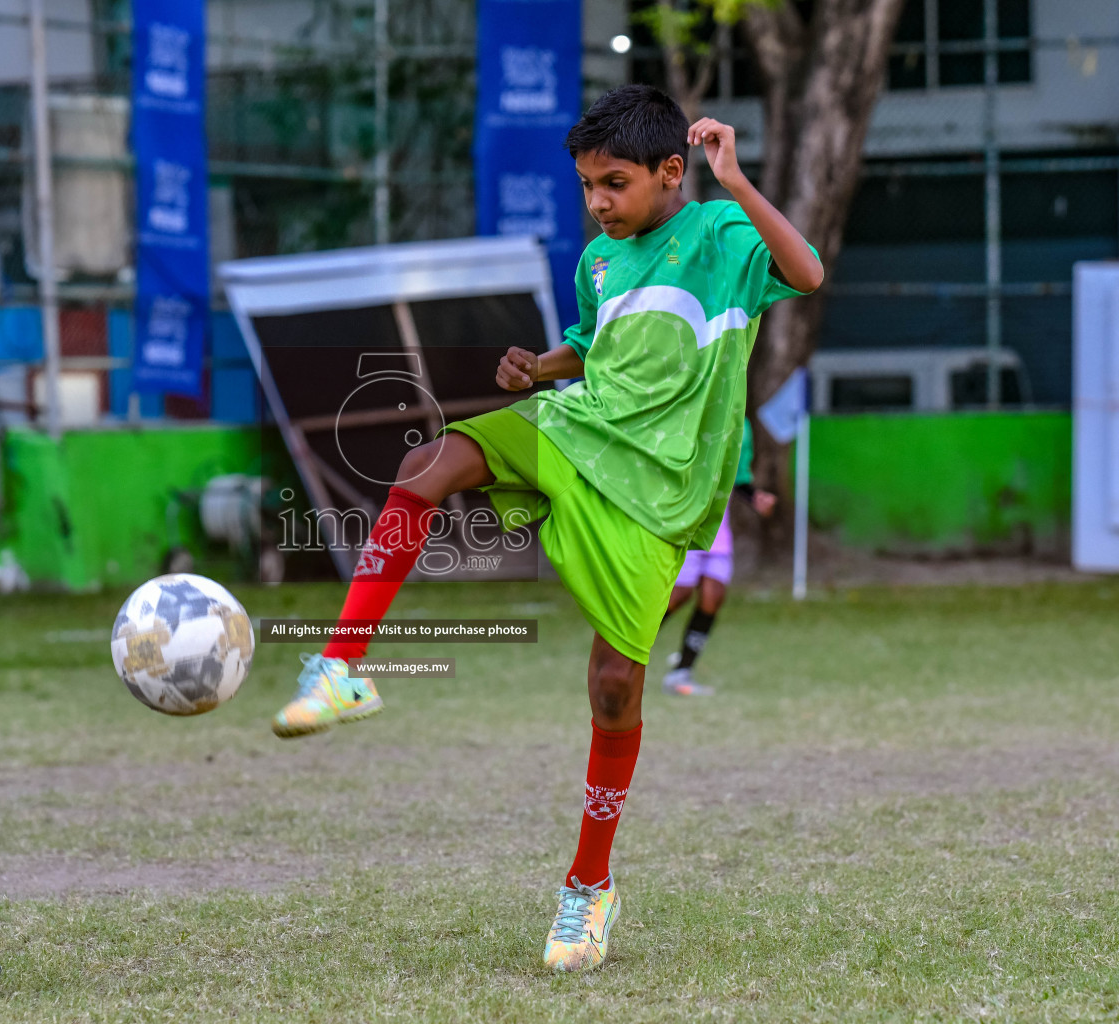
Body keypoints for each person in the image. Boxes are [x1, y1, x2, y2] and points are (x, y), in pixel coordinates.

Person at [268, 85, 822, 972]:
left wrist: (738, 181)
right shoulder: (600, 260)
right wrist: (541, 366)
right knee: (427, 466)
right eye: (587, 186)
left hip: (658, 490)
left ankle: (588, 889)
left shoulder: (720, 235)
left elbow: (807, 273)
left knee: (612, 686)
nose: (598, 202)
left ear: (671, 173)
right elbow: (595, 346)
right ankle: (341, 668)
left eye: (614, 183)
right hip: (579, 425)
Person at [661, 418, 777, 697]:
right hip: (685, 523)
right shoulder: (691, 412)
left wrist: (755, 498)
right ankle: (624, 646)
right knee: (679, 594)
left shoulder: (740, 425)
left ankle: (681, 673)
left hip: (717, 528)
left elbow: (738, 478)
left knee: (713, 597)